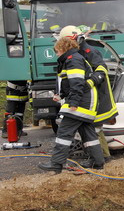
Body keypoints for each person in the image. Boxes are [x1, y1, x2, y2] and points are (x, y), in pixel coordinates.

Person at [38, 37, 104, 173]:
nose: (56, 54)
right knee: (88, 133)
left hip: (81, 102)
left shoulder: (73, 60)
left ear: (63, 48)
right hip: (87, 101)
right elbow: (70, 83)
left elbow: (77, 83)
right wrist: (61, 95)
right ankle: (97, 163)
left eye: (57, 51)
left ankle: (56, 164)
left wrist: (73, 102)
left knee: (64, 132)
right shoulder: (74, 59)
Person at [57, 25, 119, 166]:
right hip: (88, 95)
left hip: (97, 95)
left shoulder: (89, 51)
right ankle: (97, 158)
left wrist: (89, 83)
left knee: (94, 128)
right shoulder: (77, 52)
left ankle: (102, 157)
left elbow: (101, 69)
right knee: (90, 128)